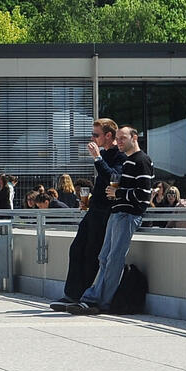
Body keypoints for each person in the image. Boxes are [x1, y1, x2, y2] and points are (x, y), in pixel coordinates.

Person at [67, 126, 154, 315]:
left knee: (113, 259)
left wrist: (118, 192)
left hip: (128, 215)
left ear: (134, 138)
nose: (119, 141)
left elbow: (144, 195)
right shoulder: (129, 161)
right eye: (118, 138)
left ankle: (99, 301)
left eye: (123, 138)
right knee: (104, 257)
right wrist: (116, 194)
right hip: (117, 213)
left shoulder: (142, 160)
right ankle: (93, 298)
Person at [51, 119, 126, 310]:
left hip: (106, 212)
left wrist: (98, 158)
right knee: (76, 248)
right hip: (94, 209)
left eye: (96, 135)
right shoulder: (105, 154)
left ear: (108, 136)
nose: (92, 138)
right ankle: (71, 294)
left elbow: (112, 177)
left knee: (93, 252)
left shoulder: (119, 156)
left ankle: (83, 296)